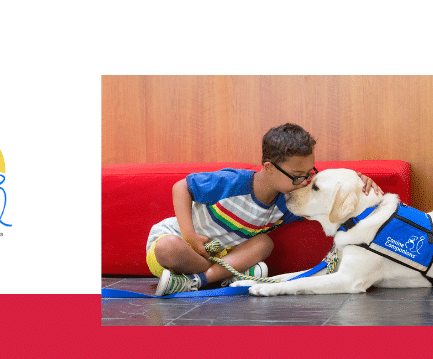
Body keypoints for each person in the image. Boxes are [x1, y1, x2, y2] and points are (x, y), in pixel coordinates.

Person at [147, 123, 381, 296]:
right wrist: (189, 235)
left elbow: (330, 192)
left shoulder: (288, 203)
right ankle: (227, 275)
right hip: (180, 246)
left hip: (221, 256)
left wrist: (359, 181)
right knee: (169, 248)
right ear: (269, 168)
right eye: (299, 176)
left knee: (264, 243)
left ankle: (200, 280)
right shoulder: (233, 183)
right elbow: (181, 187)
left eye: (310, 172)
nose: (306, 182)